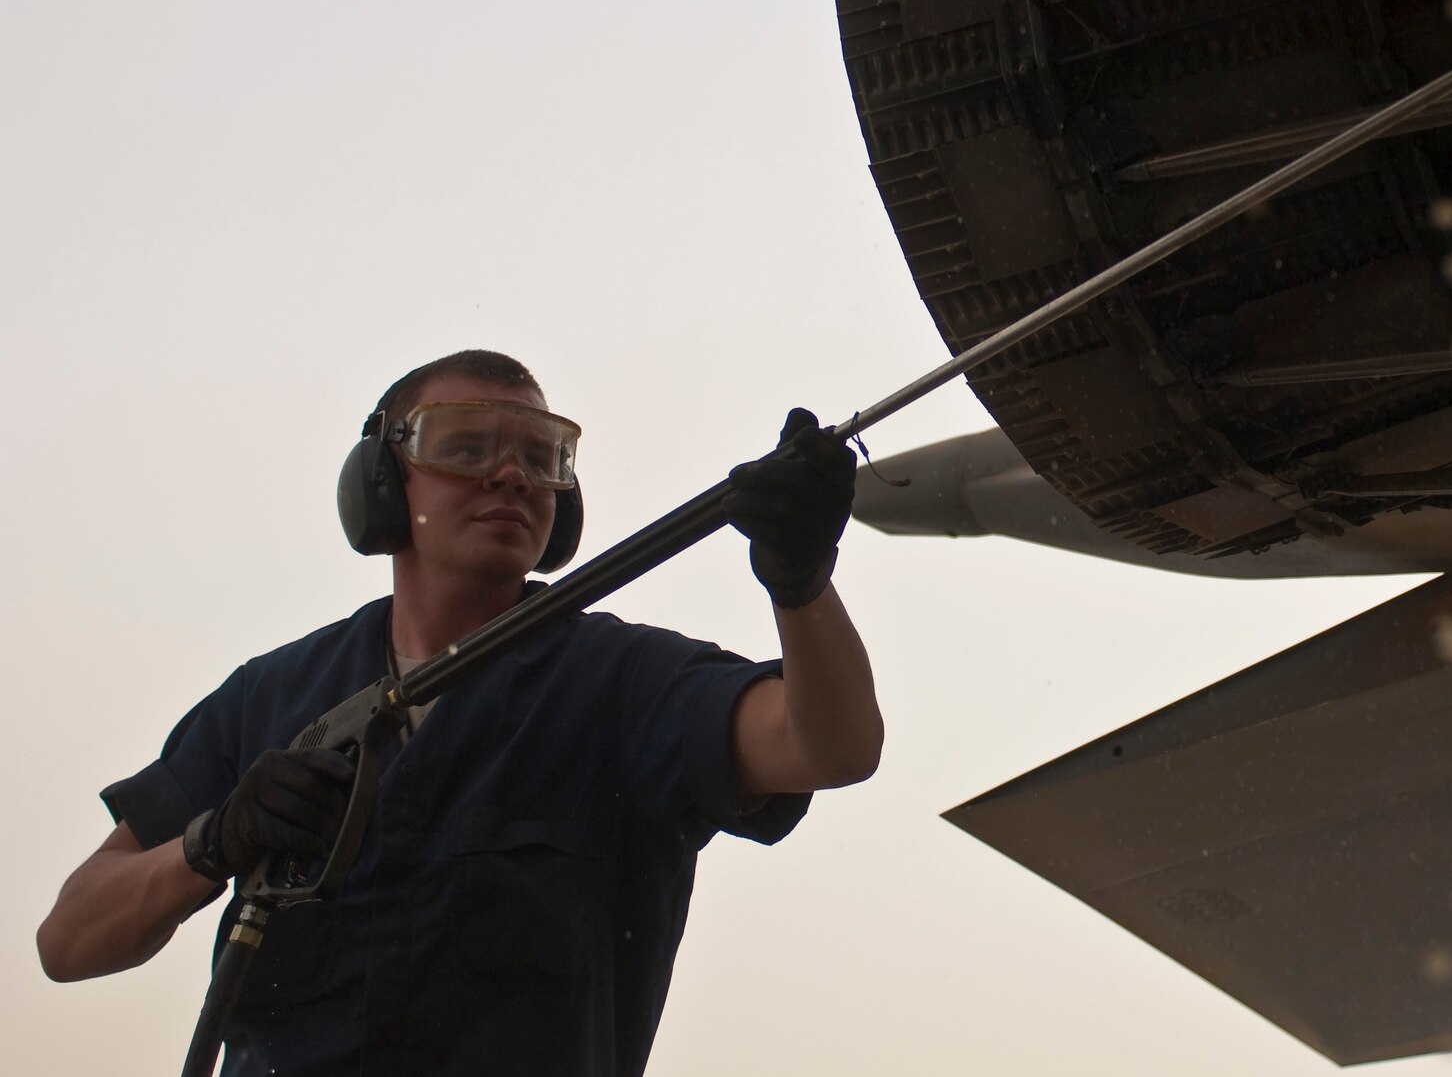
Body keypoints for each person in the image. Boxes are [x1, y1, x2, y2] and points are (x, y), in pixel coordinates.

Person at [36, 350, 883, 1075]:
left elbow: (832, 746)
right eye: (465, 446)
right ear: (381, 482)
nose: (510, 474)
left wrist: (801, 581)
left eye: (541, 456)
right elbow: (68, 940)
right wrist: (212, 842)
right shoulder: (270, 697)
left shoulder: (621, 681)